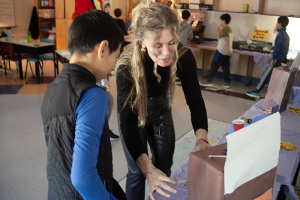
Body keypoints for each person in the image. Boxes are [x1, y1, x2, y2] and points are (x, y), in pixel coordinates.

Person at [115, 1, 210, 200]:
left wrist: (201, 139)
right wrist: (147, 169)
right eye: (157, 45)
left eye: (172, 42)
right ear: (142, 42)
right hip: (134, 116)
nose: (166, 53)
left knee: (164, 168)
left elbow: (195, 101)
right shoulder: (126, 66)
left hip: (161, 111)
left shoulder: (183, 56)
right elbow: (128, 123)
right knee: (137, 173)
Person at [41, 10, 126, 200]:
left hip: (57, 190)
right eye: (116, 56)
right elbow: (82, 178)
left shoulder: (53, 87)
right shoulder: (93, 95)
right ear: (102, 48)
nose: (113, 66)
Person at [246, 16, 290, 99]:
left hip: (277, 59)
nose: (276, 24)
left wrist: (273, 59)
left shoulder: (280, 35)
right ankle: (271, 95)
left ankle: (257, 92)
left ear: (280, 24)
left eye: (277, 23)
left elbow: (277, 48)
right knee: (273, 77)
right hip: (282, 59)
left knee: (265, 75)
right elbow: (282, 48)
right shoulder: (286, 35)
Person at [201, 13, 233, 89]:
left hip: (222, 51)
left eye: (220, 20)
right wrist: (219, 32)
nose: (219, 22)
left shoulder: (225, 28)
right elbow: (224, 38)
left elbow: (227, 39)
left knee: (214, 64)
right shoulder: (228, 28)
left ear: (223, 20)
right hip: (226, 52)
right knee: (226, 67)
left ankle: (208, 80)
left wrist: (228, 49)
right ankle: (227, 82)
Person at [97, 77, 120, 141]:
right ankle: (102, 132)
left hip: (99, 83)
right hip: (96, 82)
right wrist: (104, 82)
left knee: (109, 101)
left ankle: (105, 130)